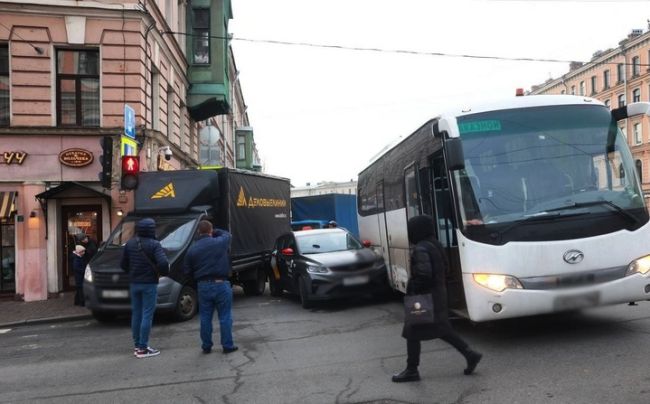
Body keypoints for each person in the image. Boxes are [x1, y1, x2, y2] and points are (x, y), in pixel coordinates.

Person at [392, 215, 482, 383]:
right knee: (441, 328)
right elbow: (445, 269)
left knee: (412, 331)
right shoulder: (435, 245)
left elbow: (424, 275)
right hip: (438, 294)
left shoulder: (421, 248)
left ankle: (412, 370)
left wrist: (412, 289)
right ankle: (470, 354)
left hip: (424, 297)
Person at [183, 220, 238, 354]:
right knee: (225, 316)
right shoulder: (219, 242)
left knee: (205, 317)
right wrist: (215, 230)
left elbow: (186, 271)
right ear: (210, 231)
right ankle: (227, 345)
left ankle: (206, 346)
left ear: (198, 232)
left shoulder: (192, 249)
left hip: (203, 286)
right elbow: (227, 234)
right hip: (221, 284)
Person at [120, 218, 169, 359]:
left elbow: (123, 264)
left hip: (134, 283)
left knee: (137, 313)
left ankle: (137, 346)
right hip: (149, 283)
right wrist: (163, 272)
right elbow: (163, 262)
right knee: (147, 314)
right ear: (151, 230)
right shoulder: (154, 244)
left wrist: (133, 271)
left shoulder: (130, 243)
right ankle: (143, 348)